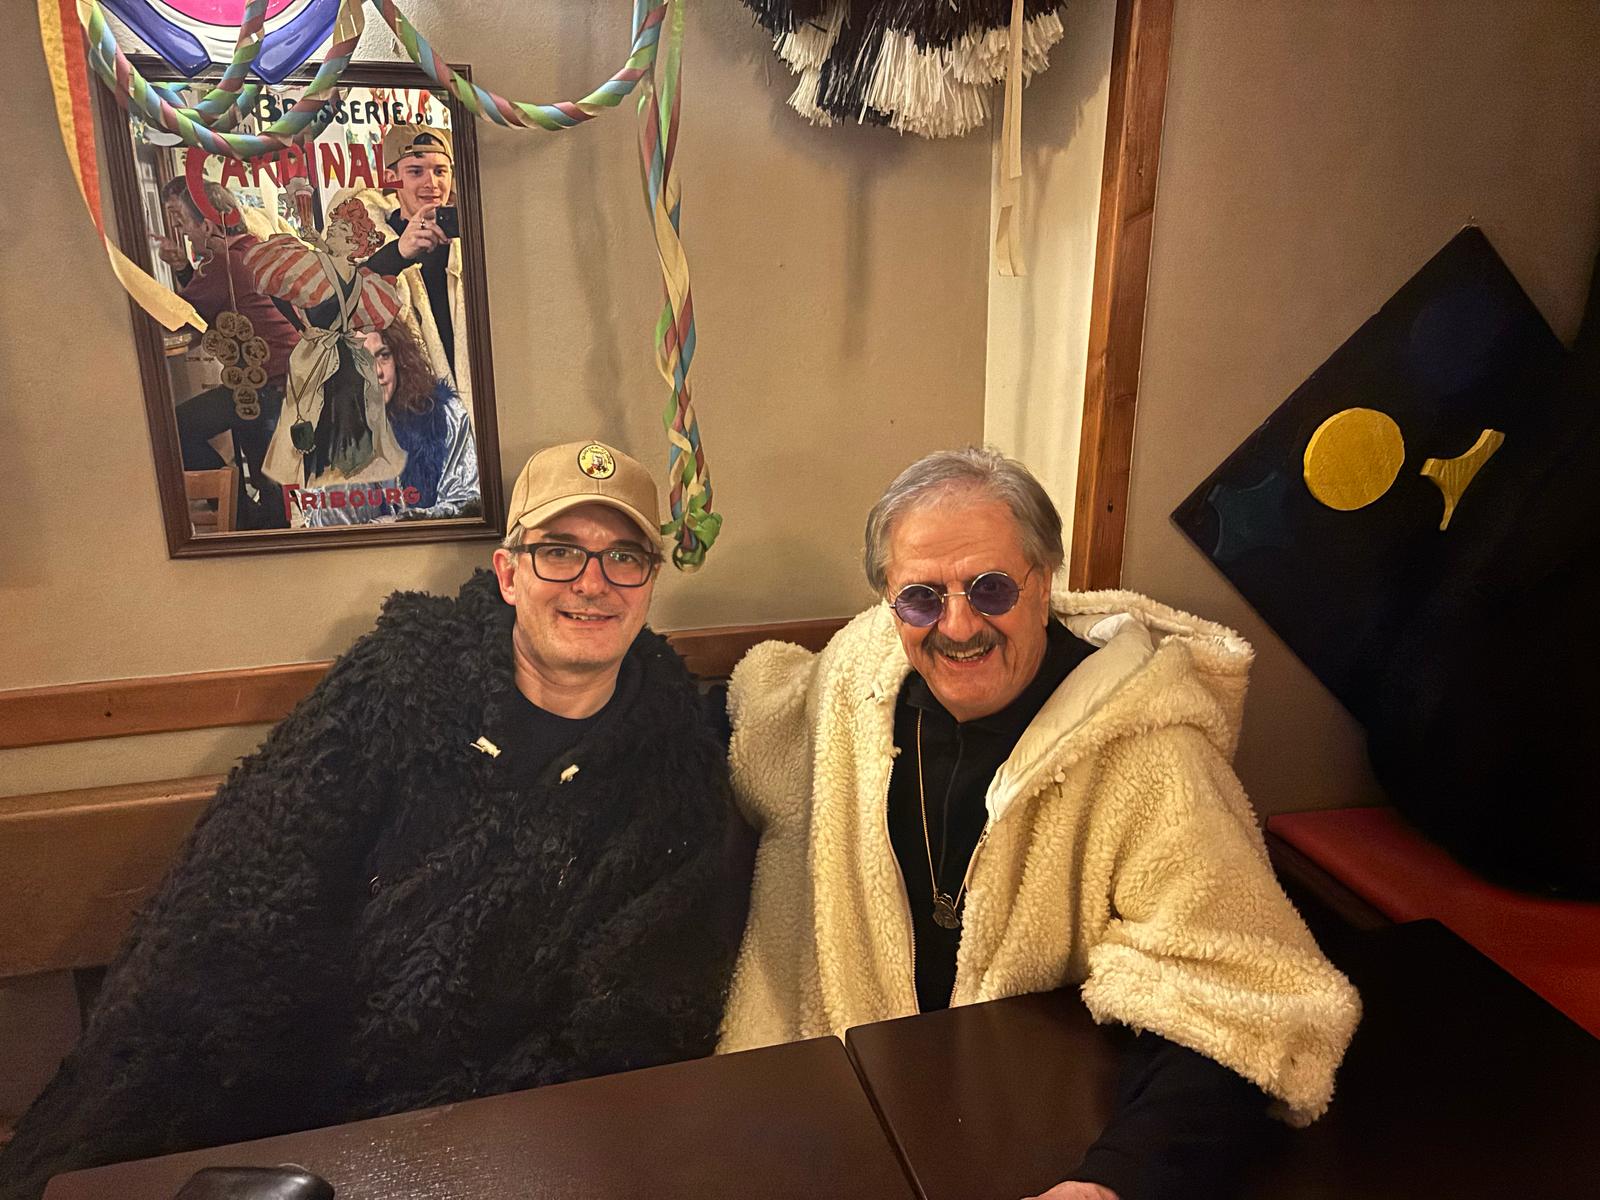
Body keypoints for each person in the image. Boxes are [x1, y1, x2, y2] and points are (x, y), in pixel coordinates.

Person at [0, 440, 753, 1200]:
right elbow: (236, 899)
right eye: (559, 551)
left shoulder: (677, 774)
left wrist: (456, 1143)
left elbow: (640, 1016)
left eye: (624, 557)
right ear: (509, 573)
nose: (592, 582)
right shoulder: (396, 683)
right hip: (281, 1091)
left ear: (649, 585)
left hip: (486, 1133)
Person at [718, 447, 1361, 1200]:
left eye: (989, 588)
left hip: (1035, 1122)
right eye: (920, 598)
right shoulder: (854, 681)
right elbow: (760, 717)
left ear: (1044, 577)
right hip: (852, 1103)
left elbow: (1233, 1001)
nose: (958, 625)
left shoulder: (1151, 755)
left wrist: (1113, 1182)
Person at [160, 177, 302, 529]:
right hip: (285, 379)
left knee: (173, 429)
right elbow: (210, 303)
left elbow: (179, 318)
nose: (185, 234)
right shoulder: (248, 247)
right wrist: (183, 268)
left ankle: (237, 514)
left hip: (267, 384)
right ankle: (248, 516)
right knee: (270, 483)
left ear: (207, 226)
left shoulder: (223, 263)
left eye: (185, 224)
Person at [247, 197, 407, 491]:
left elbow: (296, 283)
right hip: (331, 359)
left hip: (329, 361)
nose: (331, 230)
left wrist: (301, 326)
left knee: (331, 422)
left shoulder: (323, 275)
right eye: (333, 226)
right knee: (325, 422)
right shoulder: (339, 274)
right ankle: (329, 481)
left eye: (339, 229)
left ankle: (335, 481)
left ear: (352, 243)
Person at [292, 321, 480, 526]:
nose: (377, 371)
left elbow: (467, 504)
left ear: (398, 359)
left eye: (384, 356)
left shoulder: (444, 415)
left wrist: (402, 522)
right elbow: (328, 527)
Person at [359, 125, 471, 410]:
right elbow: (352, 310)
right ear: (392, 178)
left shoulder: (470, 238)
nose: (431, 183)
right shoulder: (368, 242)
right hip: (412, 410)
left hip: (477, 403)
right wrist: (398, 253)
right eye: (416, 171)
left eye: (440, 171)